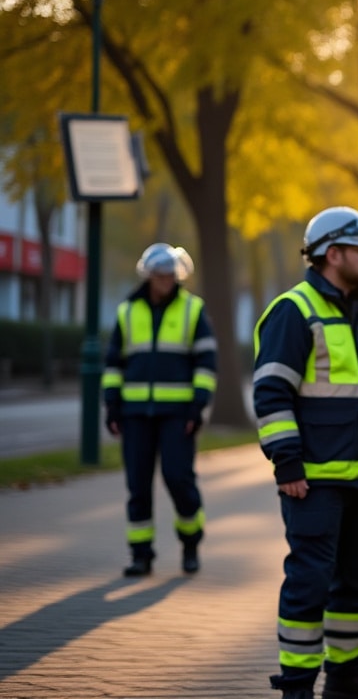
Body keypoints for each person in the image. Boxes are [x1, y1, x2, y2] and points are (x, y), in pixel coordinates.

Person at [253, 206, 358, 699]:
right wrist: (287, 463)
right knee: (310, 583)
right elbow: (271, 394)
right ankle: (296, 686)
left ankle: (345, 676)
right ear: (331, 254)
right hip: (312, 481)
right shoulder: (292, 311)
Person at [102, 243, 216, 577]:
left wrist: (198, 407)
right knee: (138, 485)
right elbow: (113, 363)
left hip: (178, 414)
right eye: (159, 275)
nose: (164, 280)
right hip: (135, 413)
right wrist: (112, 405)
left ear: (176, 276)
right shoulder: (127, 311)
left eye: (169, 275)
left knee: (178, 478)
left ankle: (191, 541)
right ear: (148, 275)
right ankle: (141, 555)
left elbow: (206, 362)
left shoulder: (193, 310)